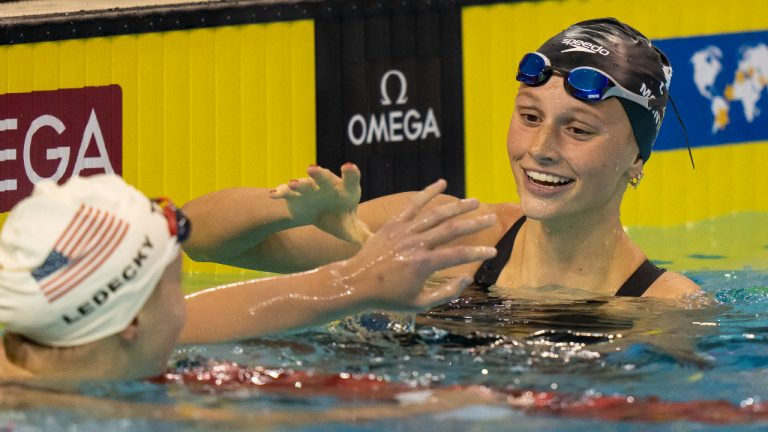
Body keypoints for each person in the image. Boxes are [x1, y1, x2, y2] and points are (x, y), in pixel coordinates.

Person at [181, 18, 700, 299]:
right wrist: (289, 212)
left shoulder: (665, 308)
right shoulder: (440, 232)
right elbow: (195, 237)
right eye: (530, 116)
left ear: (637, 158)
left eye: (579, 129)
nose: (540, 149)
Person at [0, 174, 496, 383]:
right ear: (131, 323)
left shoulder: (62, 339)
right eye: (175, 285)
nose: (188, 304)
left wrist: (354, 282)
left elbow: (225, 311)